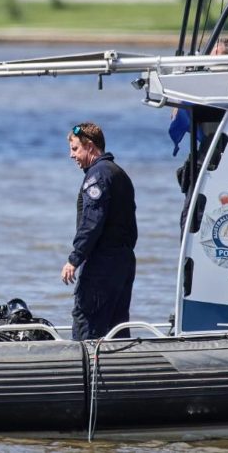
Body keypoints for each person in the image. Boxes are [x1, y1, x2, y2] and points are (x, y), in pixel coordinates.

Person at [62, 122, 138, 341]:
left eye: (75, 148)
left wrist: (74, 259)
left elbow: (92, 220)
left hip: (102, 264)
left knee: (87, 321)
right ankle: (121, 372)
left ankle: (85, 373)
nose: (71, 155)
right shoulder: (119, 173)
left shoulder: (98, 175)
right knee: (118, 326)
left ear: (91, 146)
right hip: (123, 262)